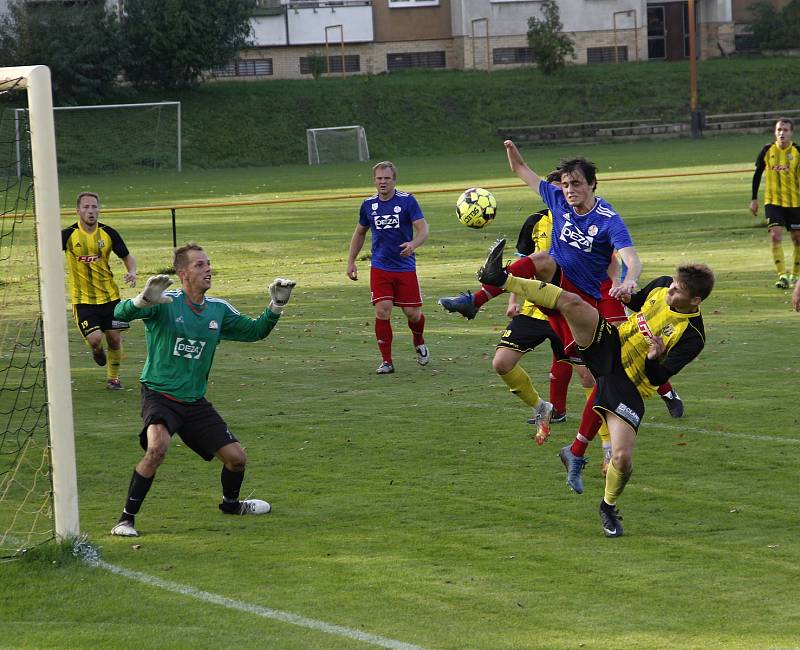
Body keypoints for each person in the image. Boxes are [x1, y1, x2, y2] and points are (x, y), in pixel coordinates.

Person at [476, 238, 714, 537]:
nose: (670, 290)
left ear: (695, 301)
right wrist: (626, 296)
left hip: (630, 385)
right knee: (572, 304)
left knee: (622, 459)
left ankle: (607, 506)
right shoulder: (663, 284)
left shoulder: (692, 337)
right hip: (610, 346)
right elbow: (640, 301)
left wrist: (655, 358)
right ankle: (503, 278)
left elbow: (656, 379)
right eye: (673, 284)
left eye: (678, 291)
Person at [109, 243, 296, 537]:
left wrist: (276, 307)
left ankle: (231, 505)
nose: (208, 268)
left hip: (194, 402)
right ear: (182, 273)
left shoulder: (218, 310)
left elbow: (255, 331)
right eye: (199, 265)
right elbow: (118, 312)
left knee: (237, 459)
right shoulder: (164, 301)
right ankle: (125, 520)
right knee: (157, 448)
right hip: (160, 394)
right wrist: (143, 301)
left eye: (208, 263)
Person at [347, 161, 430, 374]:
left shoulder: (407, 201)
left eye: (387, 178)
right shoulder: (368, 205)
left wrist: (413, 244)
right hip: (380, 267)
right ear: (374, 180)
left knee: (412, 313)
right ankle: (387, 361)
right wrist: (351, 261)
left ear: (394, 180)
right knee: (382, 310)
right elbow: (359, 233)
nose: (383, 182)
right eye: (379, 178)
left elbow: (422, 229)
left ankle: (418, 340)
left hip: (404, 268)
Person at [62, 191, 137, 389]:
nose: (91, 211)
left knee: (114, 338)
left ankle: (113, 378)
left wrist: (132, 272)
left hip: (110, 297)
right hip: (83, 300)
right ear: (78, 210)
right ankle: (96, 350)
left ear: (99, 209)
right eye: (86, 207)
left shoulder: (109, 233)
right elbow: (49, 253)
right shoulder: (68, 235)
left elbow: (127, 256)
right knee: (95, 340)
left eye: (94, 206)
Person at [750, 118, 800, 289]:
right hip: (773, 202)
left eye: (785, 130)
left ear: (791, 132)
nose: (782, 133)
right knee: (775, 235)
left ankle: (795, 276)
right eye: (779, 129)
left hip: (795, 202)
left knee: (797, 239)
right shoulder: (767, 150)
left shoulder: (798, 152)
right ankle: (782, 276)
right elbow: (757, 175)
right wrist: (754, 199)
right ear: (775, 132)